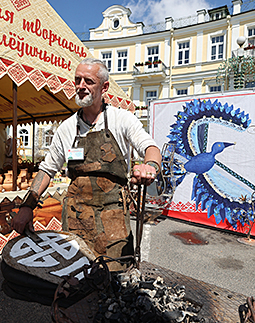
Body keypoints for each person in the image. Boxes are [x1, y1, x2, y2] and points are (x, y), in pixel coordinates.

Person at [12, 58, 161, 271]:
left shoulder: (122, 120)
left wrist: (150, 166)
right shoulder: (67, 128)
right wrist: (27, 206)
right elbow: (47, 169)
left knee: (115, 280)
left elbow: (150, 147)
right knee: (76, 278)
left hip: (113, 220)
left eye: (88, 81)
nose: (81, 86)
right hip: (76, 219)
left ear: (104, 87)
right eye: (77, 80)